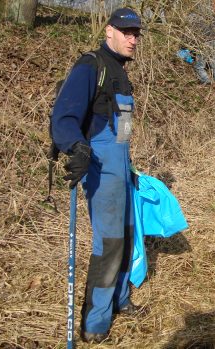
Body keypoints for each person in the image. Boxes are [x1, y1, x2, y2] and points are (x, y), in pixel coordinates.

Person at [51, 7, 143, 343]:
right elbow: (64, 115)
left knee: (127, 236)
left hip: (121, 168)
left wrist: (130, 167)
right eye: (126, 32)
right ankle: (95, 323)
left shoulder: (120, 70)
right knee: (110, 244)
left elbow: (123, 131)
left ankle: (119, 299)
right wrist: (74, 147)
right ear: (109, 31)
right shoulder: (91, 66)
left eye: (136, 33)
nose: (132, 38)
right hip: (100, 169)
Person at [188, 0, 215, 92]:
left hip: (205, 43)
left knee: (199, 67)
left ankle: (208, 85)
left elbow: (190, 37)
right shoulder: (209, 17)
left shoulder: (193, 18)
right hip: (214, 41)